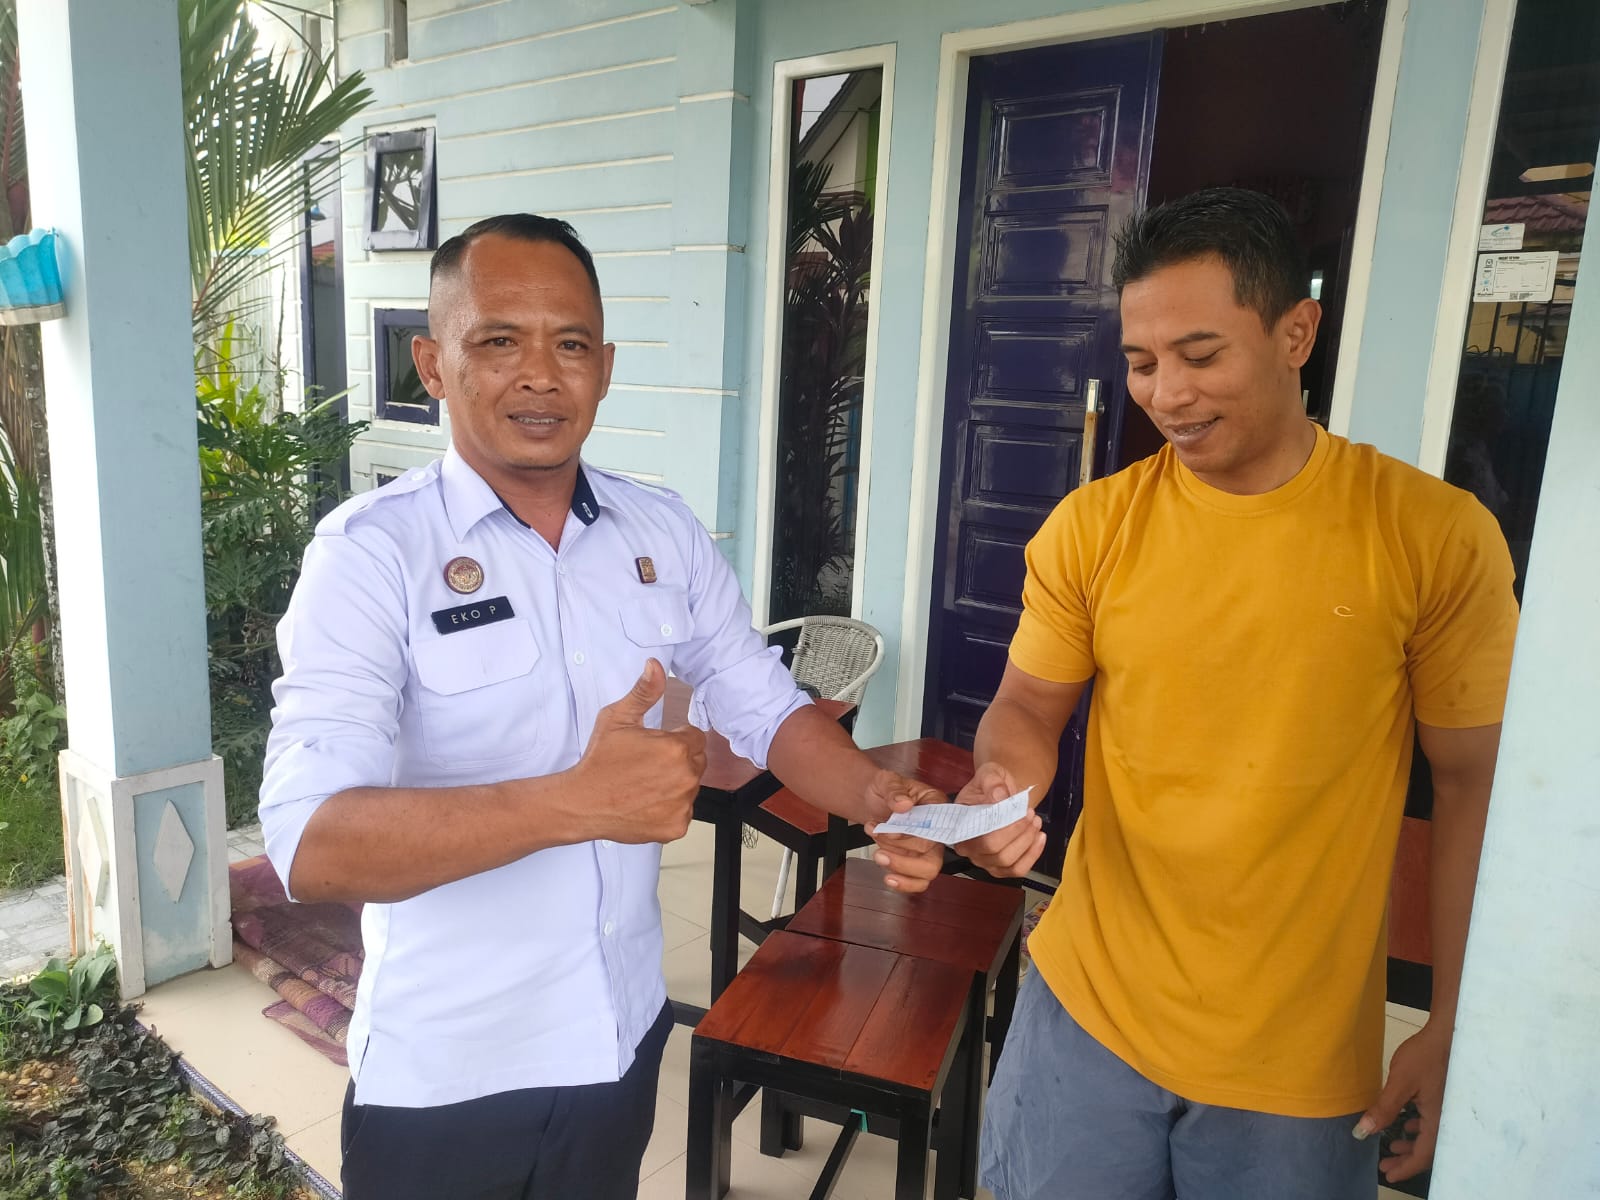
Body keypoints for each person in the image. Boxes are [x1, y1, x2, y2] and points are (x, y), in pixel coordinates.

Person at [256, 213, 944, 1200]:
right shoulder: (371, 557)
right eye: (499, 341)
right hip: (446, 1074)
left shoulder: (658, 529)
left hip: (616, 1045)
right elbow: (309, 843)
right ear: (434, 364)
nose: (541, 375)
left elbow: (762, 705)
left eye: (571, 344)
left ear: (606, 367)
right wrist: (576, 802)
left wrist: (878, 795)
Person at [956, 188, 1519, 1200]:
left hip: (1295, 1062)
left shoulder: (1429, 536)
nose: (1166, 393)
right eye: (1141, 362)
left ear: (1296, 333)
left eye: (1200, 354)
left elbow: (1475, 784)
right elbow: (1029, 709)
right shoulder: (1094, 527)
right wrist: (1004, 787)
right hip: (1087, 1009)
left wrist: (1454, 1021)